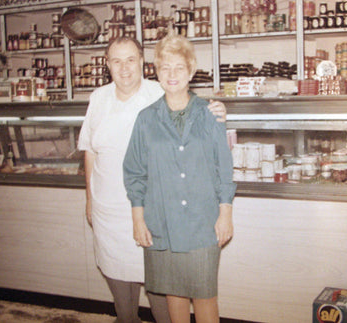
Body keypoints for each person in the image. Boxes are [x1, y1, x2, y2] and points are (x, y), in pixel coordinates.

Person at [77, 36, 227, 323]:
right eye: (116, 61)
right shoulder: (98, 98)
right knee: (117, 277)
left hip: (154, 208)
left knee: (164, 285)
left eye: (130, 60)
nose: (124, 68)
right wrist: (89, 200)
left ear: (143, 63)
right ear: (107, 64)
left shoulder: (158, 91)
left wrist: (217, 110)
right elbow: (90, 152)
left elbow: (191, 109)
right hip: (107, 208)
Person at [122, 34, 236, 323]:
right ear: (157, 72)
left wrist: (225, 215)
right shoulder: (146, 119)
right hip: (162, 221)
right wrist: (138, 220)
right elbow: (135, 172)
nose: (172, 74)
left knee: (205, 295)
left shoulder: (210, 114)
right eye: (165, 67)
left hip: (203, 221)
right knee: (174, 294)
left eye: (179, 68)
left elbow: (224, 169)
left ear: (191, 71)